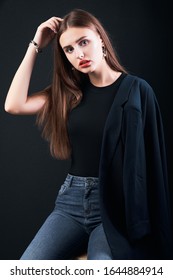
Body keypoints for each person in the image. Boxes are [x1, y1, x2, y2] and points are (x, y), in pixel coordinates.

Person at [4, 8, 172, 260]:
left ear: (101, 40)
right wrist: (36, 44)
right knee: (25, 268)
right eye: (69, 49)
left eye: (84, 42)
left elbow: (153, 161)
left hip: (114, 207)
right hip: (70, 203)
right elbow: (13, 105)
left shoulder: (137, 91)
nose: (78, 54)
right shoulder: (68, 93)